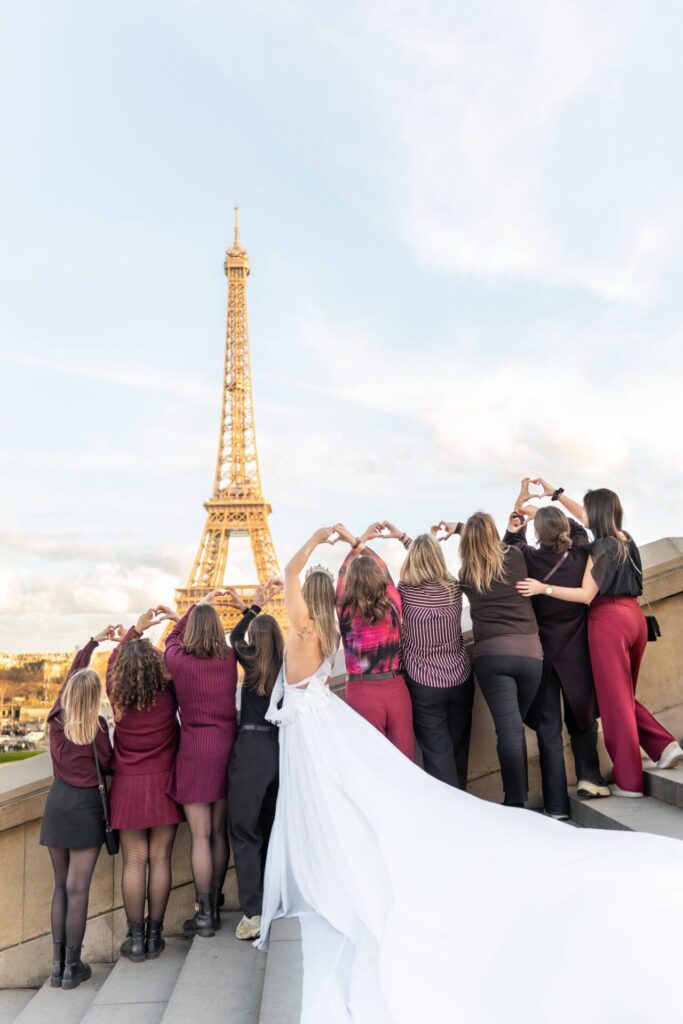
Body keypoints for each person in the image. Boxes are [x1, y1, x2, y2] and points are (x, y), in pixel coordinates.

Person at [256, 528, 683, 1023]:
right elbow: (384, 580)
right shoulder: (388, 602)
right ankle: (434, 827)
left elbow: (297, 573)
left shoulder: (323, 621)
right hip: (413, 687)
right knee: (401, 782)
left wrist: (317, 541)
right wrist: (363, 542)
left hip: (340, 715)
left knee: (339, 800)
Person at [517, 485, 683, 796]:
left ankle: (630, 781)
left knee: (615, 702)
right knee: (621, 695)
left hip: (610, 622)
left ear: (596, 514)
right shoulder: (625, 538)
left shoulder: (599, 549)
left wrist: (544, 589)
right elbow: (579, 519)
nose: (582, 513)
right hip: (635, 619)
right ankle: (663, 745)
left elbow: (585, 595)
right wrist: (555, 494)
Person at [504, 479, 608, 818]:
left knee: (549, 727)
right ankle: (589, 778)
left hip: (544, 652)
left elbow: (510, 545)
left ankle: (557, 805)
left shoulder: (528, 560)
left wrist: (523, 513)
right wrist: (545, 504)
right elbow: (580, 526)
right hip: (576, 648)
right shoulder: (580, 553)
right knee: (581, 716)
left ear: (538, 535)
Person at [437, 512, 542, 807]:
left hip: (492, 658)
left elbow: (482, 546)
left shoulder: (467, 574)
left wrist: (460, 529)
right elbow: (499, 545)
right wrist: (460, 527)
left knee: (508, 730)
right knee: (516, 727)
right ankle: (520, 796)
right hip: (530, 654)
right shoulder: (517, 558)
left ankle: (516, 800)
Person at [40, 626, 117, 990]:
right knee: (78, 889)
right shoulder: (98, 729)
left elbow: (73, 676)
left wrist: (92, 642)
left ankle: (56, 968)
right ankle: (73, 966)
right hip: (87, 808)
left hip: (57, 805)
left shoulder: (56, 723)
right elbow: (110, 764)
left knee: (60, 887)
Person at [106, 606, 183, 962]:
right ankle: (155, 935)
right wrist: (176, 620)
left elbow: (111, 665)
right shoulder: (169, 694)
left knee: (134, 861)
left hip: (128, 787)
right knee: (160, 858)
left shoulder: (118, 695)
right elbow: (180, 659)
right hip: (164, 783)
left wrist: (134, 630)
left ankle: (135, 940)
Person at [164, 591, 238, 936]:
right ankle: (218, 904)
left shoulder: (180, 661)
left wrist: (195, 604)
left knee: (200, 836)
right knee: (219, 833)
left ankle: (204, 914)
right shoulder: (227, 658)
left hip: (195, 751)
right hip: (226, 748)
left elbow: (171, 638)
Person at [382, 522, 473, 788]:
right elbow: (428, 557)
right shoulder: (454, 589)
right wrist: (406, 538)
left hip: (424, 685)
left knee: (437, 756)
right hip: (460, 678)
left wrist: (404, 540)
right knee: (459, 752)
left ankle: (452, 817)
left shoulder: (405, 592)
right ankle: (470, 810)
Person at [224, 578, 284, 942]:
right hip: (279, 750)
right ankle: (274, 900)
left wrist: (252, 608)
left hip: (249, 750)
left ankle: (254, 912)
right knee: (272, 828)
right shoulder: (287, 668)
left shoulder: (250, 665)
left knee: (244, 832)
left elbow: (234, 639)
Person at [334, 522, 414, 759]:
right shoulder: (392, 605)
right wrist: (359, 542)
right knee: (405, 765)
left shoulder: (345, 611)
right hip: (396, 687)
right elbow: (384, 567)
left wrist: (355, 542)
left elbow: (341, 573)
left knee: (373, 766)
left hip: (362, 691)